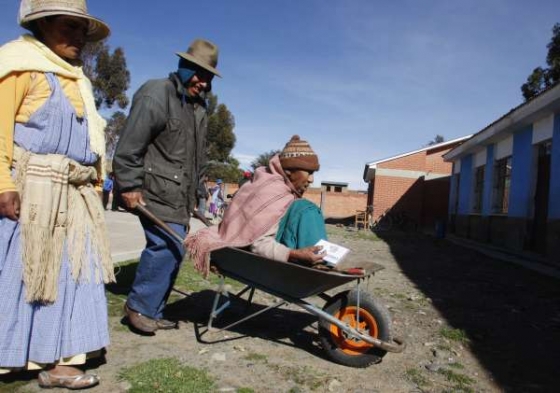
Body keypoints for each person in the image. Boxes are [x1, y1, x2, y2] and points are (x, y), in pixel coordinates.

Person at [0, 0, 115, 389]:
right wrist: (3, 183)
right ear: (44, 25)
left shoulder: (79, 80)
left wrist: (96, 186)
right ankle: (12, 355)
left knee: (75, 273)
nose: (79, 37)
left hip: (76, 194)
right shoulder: (17, 66)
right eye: (69, 27)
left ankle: (64, 361)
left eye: (82, 30)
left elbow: (93, 142)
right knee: (23, 272)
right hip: (31, 190)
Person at [113, 38, 221, 334]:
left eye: (208, 76)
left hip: (180, 197)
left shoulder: (198, 110)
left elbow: (195, 158)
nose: (203, 82)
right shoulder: (156, 94)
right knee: (167, 244)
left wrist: (199, 191)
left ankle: (153, 309)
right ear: (183, 67)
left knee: (175, 249)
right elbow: (129, 146)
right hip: (155, 190)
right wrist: (129, 185)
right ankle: (138, 308)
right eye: (198, 73)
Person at [186, 135, 327, 276]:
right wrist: (294, 254)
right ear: (290, 171)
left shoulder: (260, 182)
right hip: (260, 260)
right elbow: (259, 243)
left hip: (237, 251)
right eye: (308, 172)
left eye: (313, 173)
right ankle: (321, 263)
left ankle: (322, 259)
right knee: (306, 209)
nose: (311, 179)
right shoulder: (273, 193)